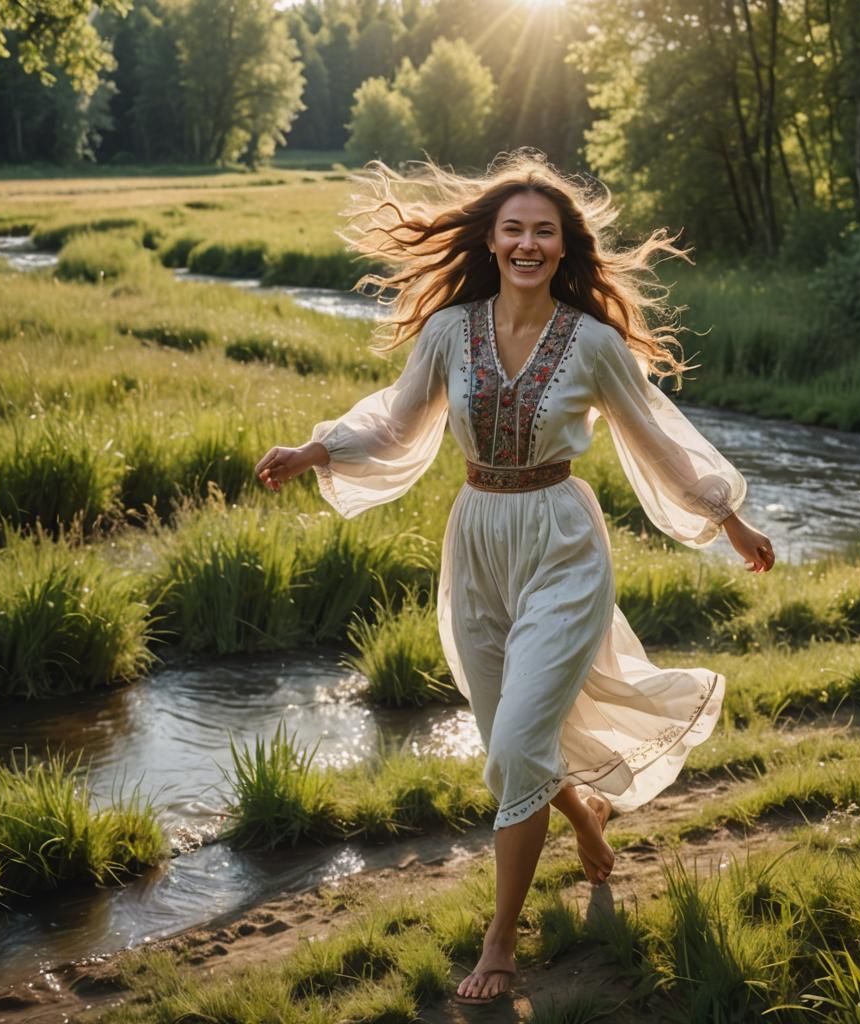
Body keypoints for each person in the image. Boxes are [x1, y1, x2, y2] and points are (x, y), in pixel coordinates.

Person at [254, 152, 775, 1005]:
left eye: (545, 231)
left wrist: (728, 517)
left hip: (563, 546)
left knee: (518, 747)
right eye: (515, 229)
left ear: (564, 248)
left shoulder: (596, 343)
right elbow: (394, 420)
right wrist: (315, 448)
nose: (529, 242)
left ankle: (500, 943)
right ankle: (584, 815)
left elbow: (656, 438)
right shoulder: (449, 331)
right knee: (510, 755)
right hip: (478, 541)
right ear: (492, 241)